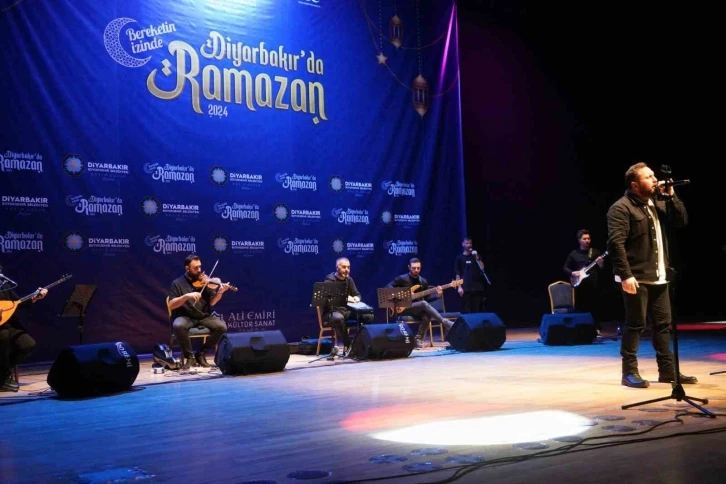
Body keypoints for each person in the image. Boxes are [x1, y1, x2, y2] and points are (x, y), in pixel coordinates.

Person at [606, 162, 695, 388]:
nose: (655, 179)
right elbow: (615, 244)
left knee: (663, 324)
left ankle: (667, 370)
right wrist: (626, 275)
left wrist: (671, 195)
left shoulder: (659, 202)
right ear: (635, 185)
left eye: (654, 175)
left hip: (659, 274)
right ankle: (629, 372)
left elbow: (681, 220)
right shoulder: (621, 208)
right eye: (648, 177)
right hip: (636, 276)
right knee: (636, 324)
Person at [168, 254, 229, 369]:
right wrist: (186, 296)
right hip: (185, 316)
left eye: (200, 267)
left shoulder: (205, 282)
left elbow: (212, 302)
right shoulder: (177, 283)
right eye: (196, 268)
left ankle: (201, 354)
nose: (199, 270)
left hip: (204, 317)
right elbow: (171, 305)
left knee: (222, 327)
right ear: (187, 268)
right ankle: (190, 358)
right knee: (178, 325)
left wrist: (220, 293)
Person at [386, 258, 453, 348]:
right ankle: (445, 322)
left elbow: (427, 299)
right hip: (403, 308)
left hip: (416, 308)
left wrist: (438, 295)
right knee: (423, 304)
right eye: (414, 268)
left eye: (418, 268)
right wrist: (404, 293)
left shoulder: (423, 281)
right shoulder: (402, 278)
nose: (416, 270)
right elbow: (388, 287)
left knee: (427, 314)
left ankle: (418, 339)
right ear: (409, 267)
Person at [0, 269, 48, 392]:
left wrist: (35, 297)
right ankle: (3, 377)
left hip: (8, 325)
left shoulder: (4, 285)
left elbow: (17, 303)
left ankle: (3, 372)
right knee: (3, 335)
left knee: (28, 344)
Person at [321, 258, 374, 353]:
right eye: (344, 267)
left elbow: (357, 294)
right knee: (338, 318)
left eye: (348, 267)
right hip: (332, 312)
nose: (347, 270)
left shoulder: (349, 280)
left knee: (368, 316)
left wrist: (356, 299)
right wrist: (346, 298)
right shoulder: (330, 281)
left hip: (347, 312)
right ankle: (348, 345)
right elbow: (324, 300)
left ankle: (360, 343)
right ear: (337, 268)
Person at [563, 229, 605, 333]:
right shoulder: (574, 254)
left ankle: (596, 329)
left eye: (588, 239)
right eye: (584, 239)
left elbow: (602, 270)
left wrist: (601, 264)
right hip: (580, 285)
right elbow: (565, 267)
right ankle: (580, 329)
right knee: (580, 306)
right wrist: (573, 273)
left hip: (593, 284)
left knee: (595, 307)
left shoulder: (595, 252)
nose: (587, 241)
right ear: (579, 240)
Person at [455, 237, 488, 313]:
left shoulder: (476, 256)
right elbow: (457, 273)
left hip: (477, 288)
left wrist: (477, 257)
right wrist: (459, 287)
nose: (469, 245)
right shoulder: (459, 258)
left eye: (470, 243)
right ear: (463, 244)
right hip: (465, 289)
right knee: (466, 311)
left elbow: (482, 268)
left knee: (476, 312)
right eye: (467, 243)